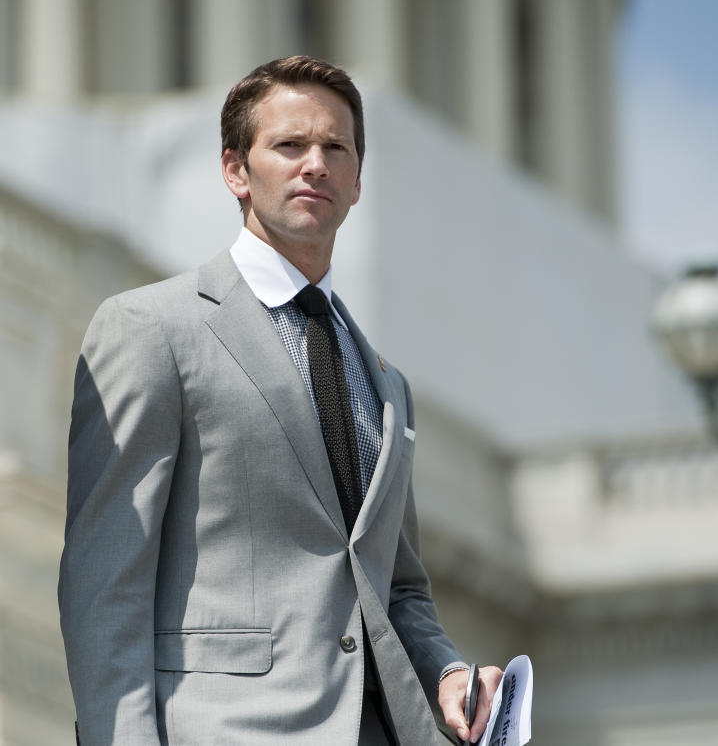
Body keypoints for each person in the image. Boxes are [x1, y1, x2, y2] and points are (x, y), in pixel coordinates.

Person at [59, 55, 502, 745]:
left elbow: (399, 587)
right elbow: (105, 582)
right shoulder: (151, 328)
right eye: (290, 145)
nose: (315, 164)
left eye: (336, 148)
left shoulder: (387, 384)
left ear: (357, 181)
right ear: (236, 169)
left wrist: (446, 671)